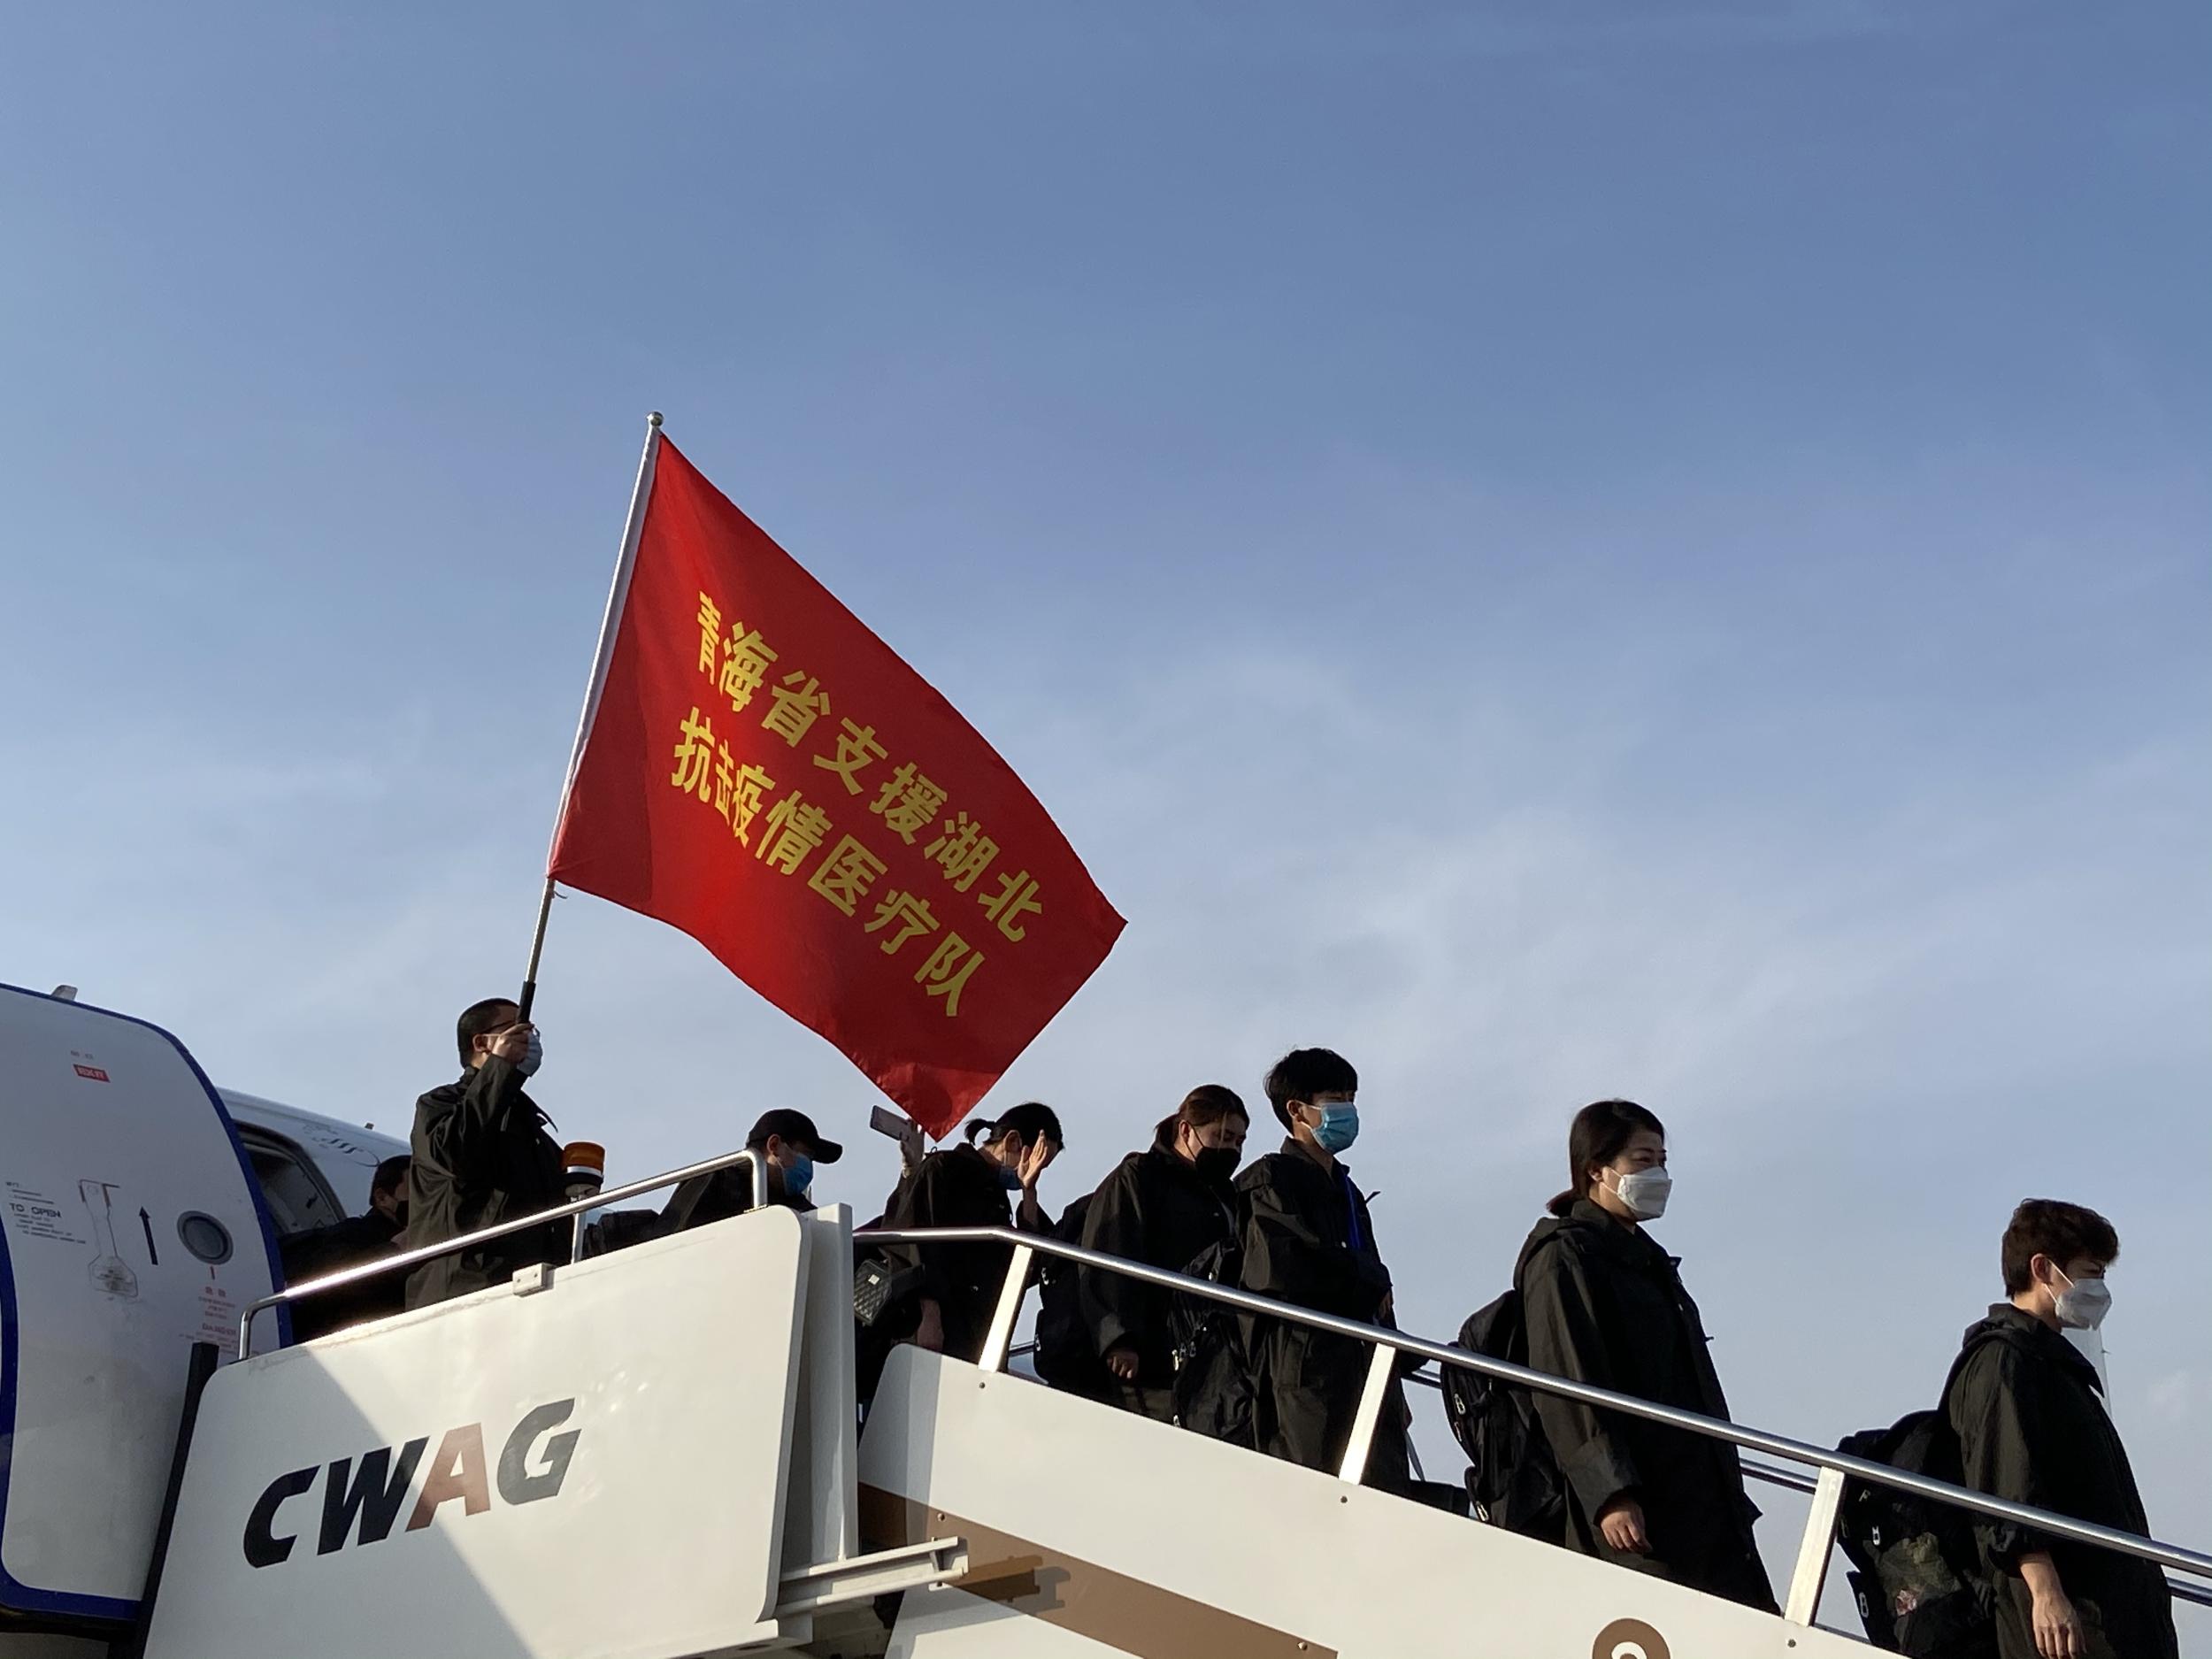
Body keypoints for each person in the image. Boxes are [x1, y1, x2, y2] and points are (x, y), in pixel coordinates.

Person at [1515, 1099, 1774, 1610]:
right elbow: (1567, 1381)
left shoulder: (1649, 1263)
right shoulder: (1565, 1257)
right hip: (1641, 1517)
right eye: (1642, 1160)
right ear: (1596, 1169)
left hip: (1702, 1501)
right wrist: (1610, 1493)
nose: (1657, 1174)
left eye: (1662, 1160)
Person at [1947, 1200, 2175, 1659]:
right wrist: (2045, 1591)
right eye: (2091, 1273)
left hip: (2112, 1616)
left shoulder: (2053, 1365)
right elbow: (2009, 1489)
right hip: (2074, 1627)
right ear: (2043, 1269)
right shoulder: (2003, 1360)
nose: (2099, 1289)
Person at [1235, 1048, 1410, 1489]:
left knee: (1385, 1497)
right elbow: (1284, 1268)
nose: (1348, 1110)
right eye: (1336, 1099)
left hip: (1365, 1369)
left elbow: (1375, 1293)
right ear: (1297, 1110)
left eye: (1351, 1099)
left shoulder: (1348, 1191)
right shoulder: (1270, 1180)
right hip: (1304, 1371)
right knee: (1313, 1494)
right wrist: (1369, 1279)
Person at [860, 1102, 1063, 1398]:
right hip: (928, 1329)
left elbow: (1022, 1269)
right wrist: (929, 1313)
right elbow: (913, 1240)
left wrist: (1029, 1192)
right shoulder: (944, 1168)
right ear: (1013, 1142)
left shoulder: (995, 1197)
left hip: (972, 1339)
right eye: (1037, 1161)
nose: (1036, 1170)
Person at [1077, 1085, 1248, 1421]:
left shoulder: (1228, 1197)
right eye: (1222, 1136)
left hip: (1213, 1360)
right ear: (1186, 1130)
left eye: (1239, 1141)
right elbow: (1108, 1253)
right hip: (1149, 1359)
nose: (1231, 1149)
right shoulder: (1140, 1176)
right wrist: (1117, 1338)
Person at [403, 997, 566, 1310]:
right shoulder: (438, 1105)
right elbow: (455, 1152)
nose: (528, 1037)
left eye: (531, 1030)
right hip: (467, 1286)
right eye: (516, 1029)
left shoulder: (529, 1127)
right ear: (482, 1043)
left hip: (532, 1286)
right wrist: (500, 1068)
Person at [280, 1155, 411, 1340]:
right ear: (382, 1197)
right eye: (417, 1190)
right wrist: (393, 1250)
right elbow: (324, 1278)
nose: (425, 1199)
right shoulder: (354, 1234)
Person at [660, 1109, 843, 1231]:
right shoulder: (716, 1182)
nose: (808, 1167)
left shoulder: (796, 1206)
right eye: (806, 1155)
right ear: (774, 1146)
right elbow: (674, 1243)